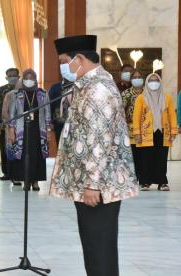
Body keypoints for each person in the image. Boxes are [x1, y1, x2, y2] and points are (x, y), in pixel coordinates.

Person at [50, 35, 139, 276]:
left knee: (99, 248)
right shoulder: (89, 85)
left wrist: (92, 184)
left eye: (64, 61)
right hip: (94, 183)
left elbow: (99, 139)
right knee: (94, 246)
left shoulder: (98, 89)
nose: (63, 67)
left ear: (79, 59)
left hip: (98, 186)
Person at [7, 69, 51, 190]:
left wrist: (48, 131)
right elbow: (12, 114)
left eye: (32, 78)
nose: (29, 80)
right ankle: (26, 181)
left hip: (38, 130)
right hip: (22, 130)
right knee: (24, 155)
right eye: (27, 78)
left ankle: (35, 181)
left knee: (38, 155)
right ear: (23, 79)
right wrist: (11, 131)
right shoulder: (16, 94)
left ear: (35, 79)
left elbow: (47, 112)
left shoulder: (43, 93)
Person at [133, 73, 177, 191]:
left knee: (161, 158)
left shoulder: (167, 97)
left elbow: (172, 115)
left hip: (163, 132)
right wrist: (136, 133)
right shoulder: (141, 98)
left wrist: (174, 131)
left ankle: (162, 182)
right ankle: (145, 182)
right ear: (147, 83)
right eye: (151, 80)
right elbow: (136, 116)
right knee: (146, 158)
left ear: (160, 82)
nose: (154, 83)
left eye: (156, 80)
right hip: (146, 132)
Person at [0, 68, 19, 181]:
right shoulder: (1, 90)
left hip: (20, 126)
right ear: (6, 77)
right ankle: (7, 173)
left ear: (18, 76)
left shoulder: (23, 89)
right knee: (5, 150)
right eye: (10, 75)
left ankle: (17, 173)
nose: (12, 77)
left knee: (18, 149)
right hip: (4, 125)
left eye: (14, 75)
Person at [121, 70, 145, 183]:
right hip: (130, 129)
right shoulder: (126, 93)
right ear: (131, 80)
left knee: (144, 154)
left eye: (139, 77)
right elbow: (121, 111)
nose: (137, 79)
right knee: (133, 153)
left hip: (146, 128)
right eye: (135, 77)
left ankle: (144, 177)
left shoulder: (147, 93)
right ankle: (133, 176)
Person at [49, 79, 72, 143]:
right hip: (59, 124)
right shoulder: (54, 87)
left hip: (74, 124)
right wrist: (50, 122)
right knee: (60, 147)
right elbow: (49, 105)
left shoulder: (78, 86)